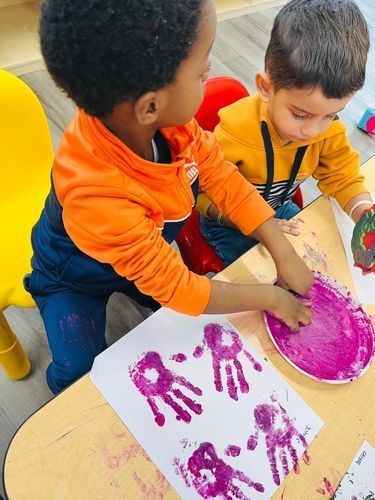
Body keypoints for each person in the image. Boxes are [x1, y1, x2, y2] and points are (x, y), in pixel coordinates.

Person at [26, 0, 312, 394]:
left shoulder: (169, 124)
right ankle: (59, 400)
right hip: (71, 276)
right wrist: (272, 298)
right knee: (80, 372)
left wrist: (282, 249)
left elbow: (222, 177)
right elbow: (181, 290)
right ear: (150, 106)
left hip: (142, 255)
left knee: (181, 323)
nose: (209, 78)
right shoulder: (97, 196)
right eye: (203, 72)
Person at [198, 0, 372, 267]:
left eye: (329, 115)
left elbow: (343, 176)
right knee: (269, 277)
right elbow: (200, 194)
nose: (313, 131)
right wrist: (258, 227)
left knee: (320, 264)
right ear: (266, 87)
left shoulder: (329, 132)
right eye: (300, 115)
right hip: (228, 223)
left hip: (278, 210)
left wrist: (363, 213)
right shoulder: (234, 133)